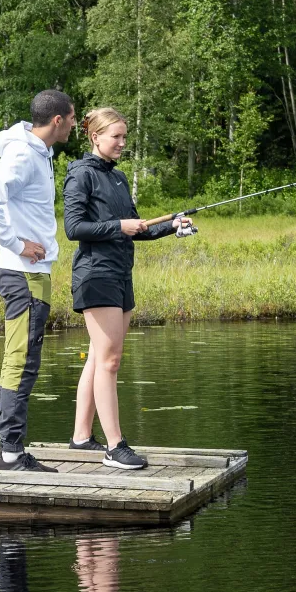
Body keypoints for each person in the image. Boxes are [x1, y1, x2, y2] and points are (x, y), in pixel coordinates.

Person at [63, 107, 190, 470]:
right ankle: (115, 447)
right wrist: (119, 225)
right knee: (110, 360)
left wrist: (173, 226)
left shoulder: (117, 179)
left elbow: (140, 227)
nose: (121, 143)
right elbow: (74, 228)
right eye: (115, 136)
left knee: (99, 356)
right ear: (95, 137)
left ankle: (81, 438)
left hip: (121, 274)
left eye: (124, 137)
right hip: (95, 274)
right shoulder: (81, 176)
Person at [0, 89, 77, 472]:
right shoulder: (22, 154)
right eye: (74, 118)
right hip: (23, 275)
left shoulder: (39, 154)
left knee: (26, 360)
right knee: (20, 362)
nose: (77, 124)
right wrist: (15, 242)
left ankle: (13, 451)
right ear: (58, 120)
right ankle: (11, 455)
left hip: (34, 275)